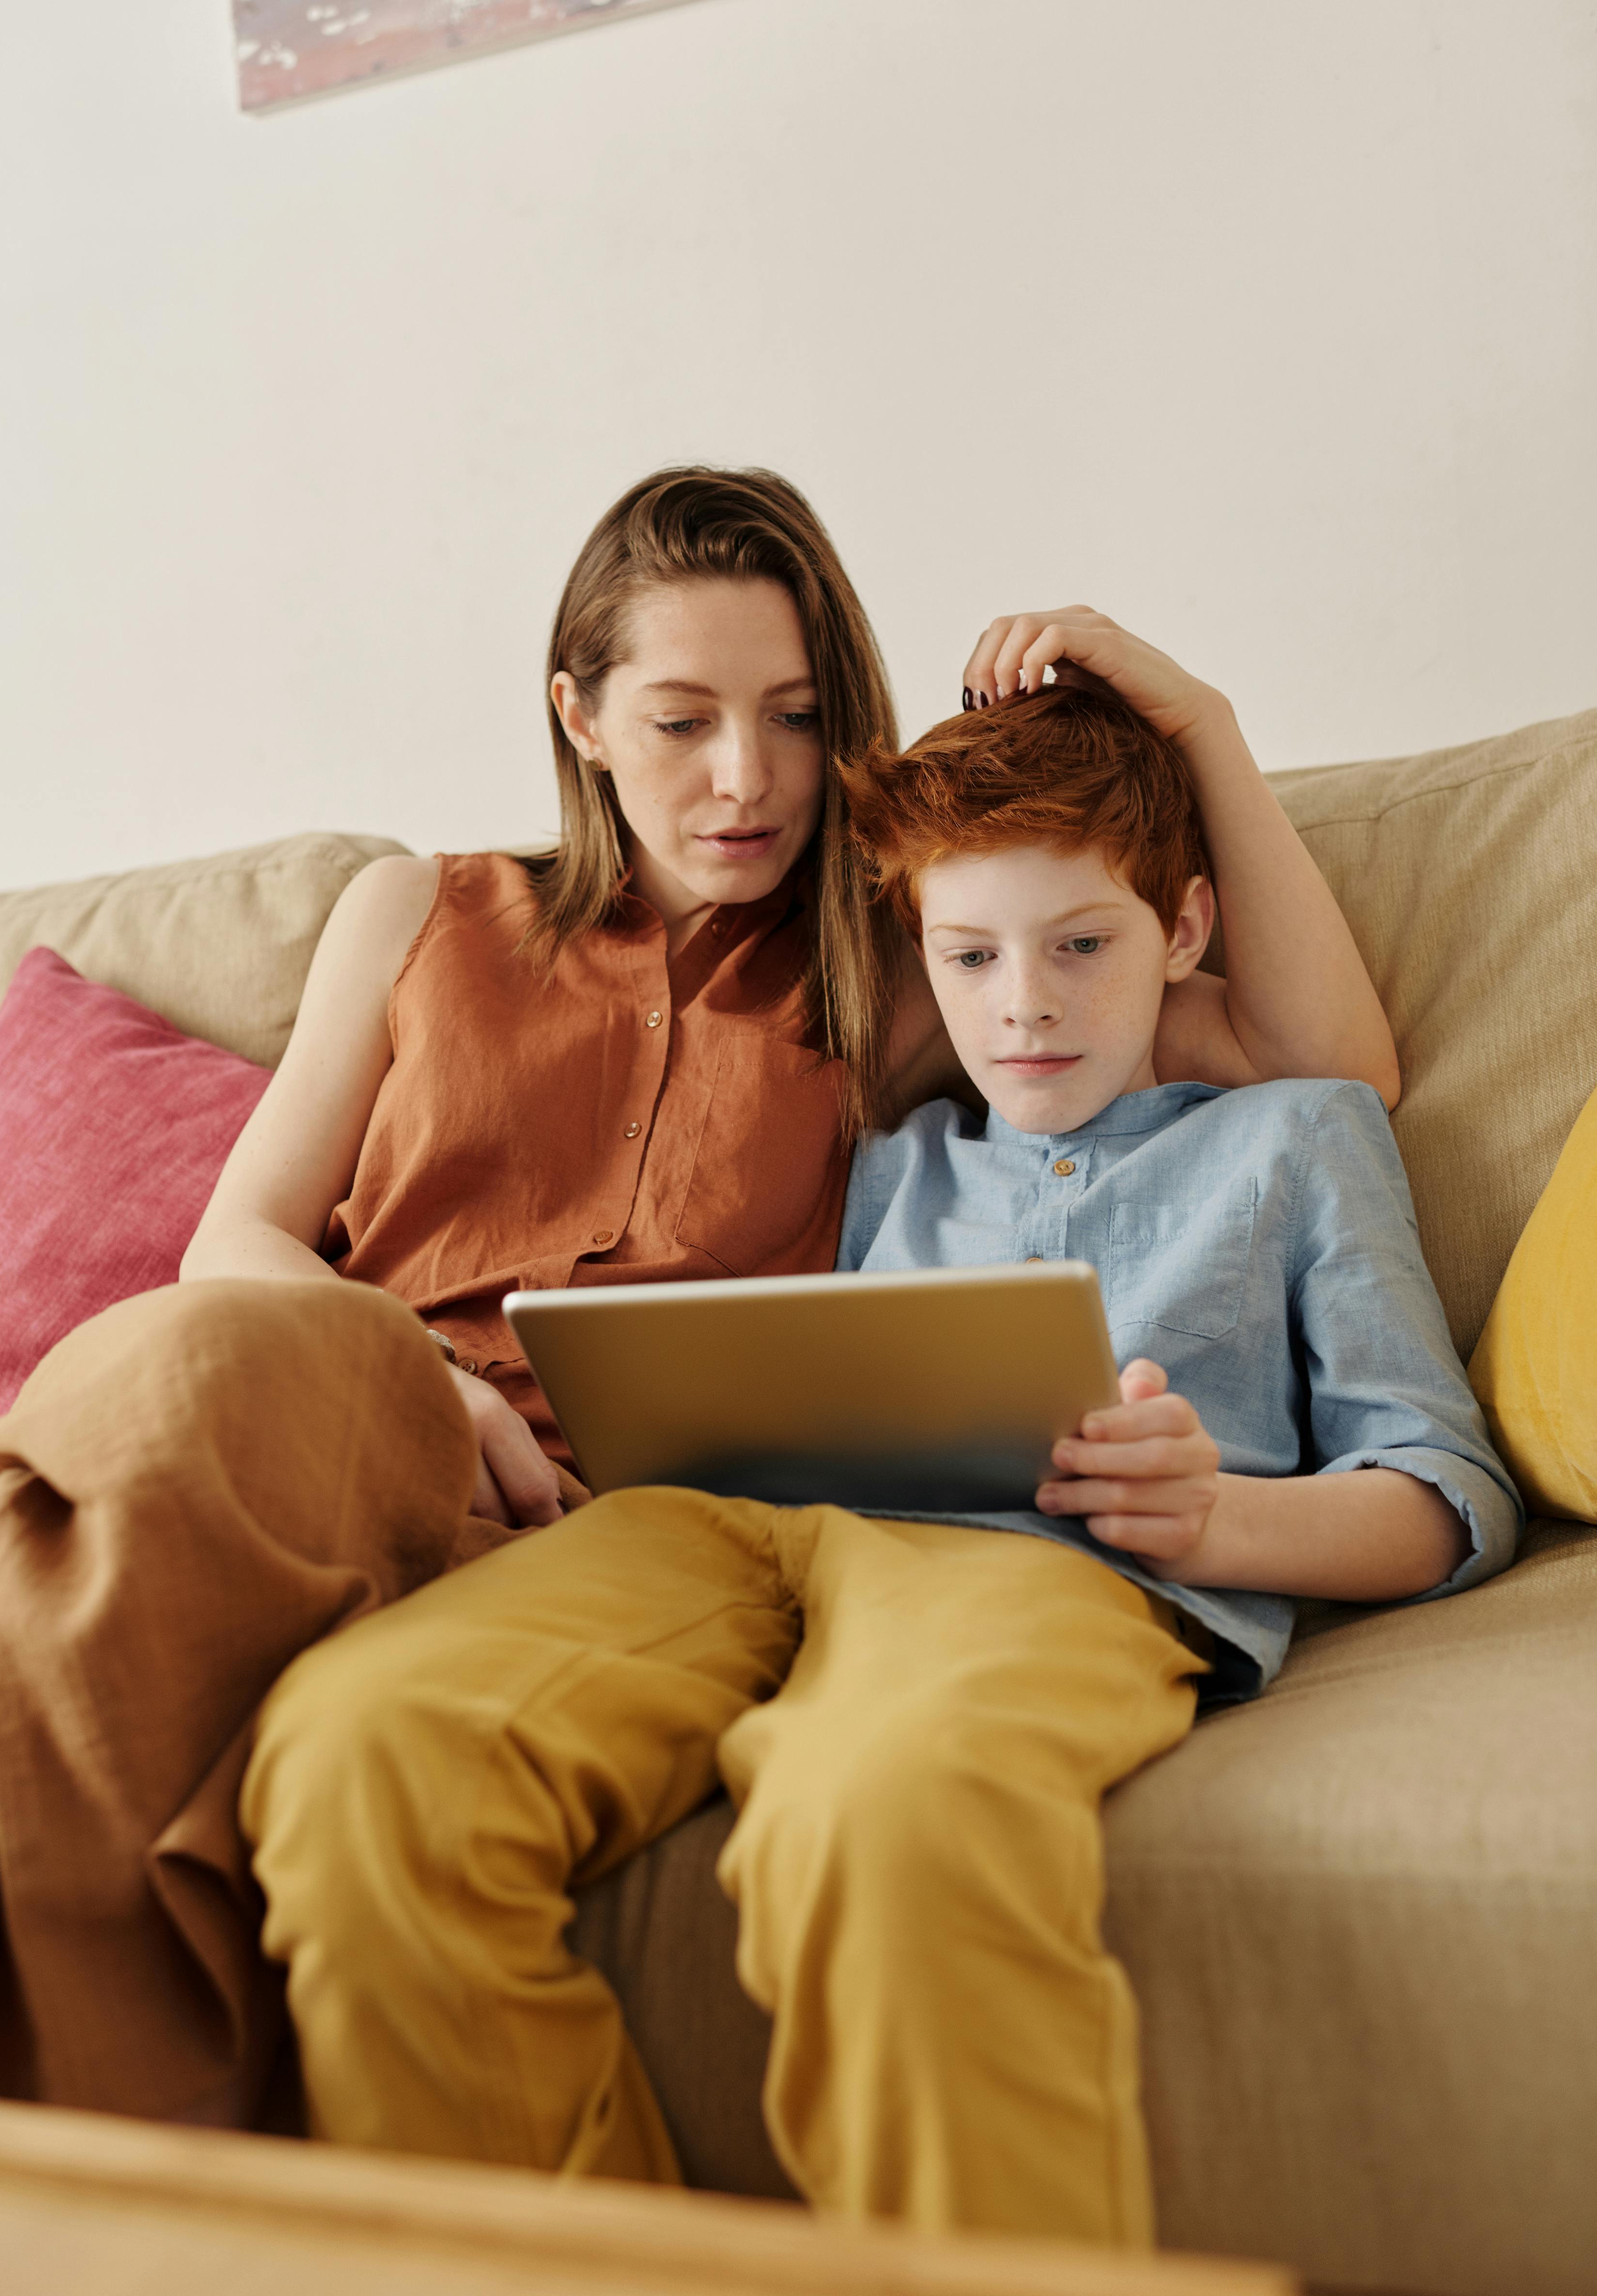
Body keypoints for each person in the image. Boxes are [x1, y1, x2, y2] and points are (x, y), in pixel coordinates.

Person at [0, 467, 1395, 2134]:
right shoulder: (416, 911)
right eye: (679, 720)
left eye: (795, 719)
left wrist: (1201, 721)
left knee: (113, 1607)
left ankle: (92, 2178)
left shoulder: (902, 965)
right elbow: (243, 1241)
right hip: (345, 1405)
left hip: (607, 1524)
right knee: (182, 1378)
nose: (745, 781)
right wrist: (417, 1382)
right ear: (575, 716)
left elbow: (1319, 1069)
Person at [239, 680, 1517, 2245]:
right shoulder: (894, 1146)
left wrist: (1219, 1519)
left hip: (1045, 1559)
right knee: (357, 1742)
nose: (1023, 1007)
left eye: (1081, 947)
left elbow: (1442, 1490)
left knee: (877, 1803)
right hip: (733, 1523)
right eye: (969, 958)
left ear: (1183, 931)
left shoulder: (1295, 1134)